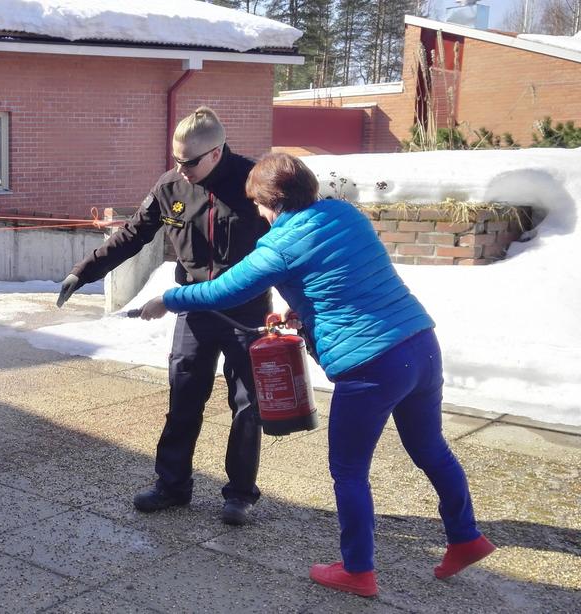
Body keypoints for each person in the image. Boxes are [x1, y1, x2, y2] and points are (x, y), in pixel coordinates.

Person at [139, 153, 495, 597]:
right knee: (431, 449)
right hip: (419, 345)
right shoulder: (345, 213)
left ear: (270, 202)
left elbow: (223, 290)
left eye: (260, 205)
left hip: (370, 366)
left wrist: (168, 300)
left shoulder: (279, 246)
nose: (261, 215)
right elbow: (347, 277)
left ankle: (357, 570)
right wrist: (306, 308)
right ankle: (465, 536)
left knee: (348, 471)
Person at [56, 107, 271, 525]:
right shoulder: (172, 185)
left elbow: (291, 243)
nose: (181, 169)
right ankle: (171, 485)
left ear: (216, 152)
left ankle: (240, 494)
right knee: (184, 396)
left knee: (247, 405)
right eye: (176, 159)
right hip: (193, 306)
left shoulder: (254, 184)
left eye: (189, 161)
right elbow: (133, 234)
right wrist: (82, 272)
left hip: (246, 310)